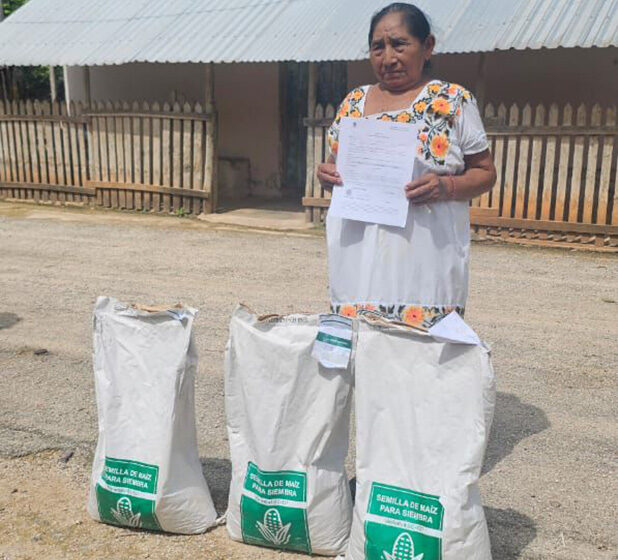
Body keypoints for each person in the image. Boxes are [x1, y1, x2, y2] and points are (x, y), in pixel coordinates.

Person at [317, 3, 497, 328]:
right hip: (358, 264)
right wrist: (327, 175)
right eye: (378, 47)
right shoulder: (353, 103)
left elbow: (485, 173)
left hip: (425, 266)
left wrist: (447, 186)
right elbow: (336, 167)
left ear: (427, 46)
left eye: (399, 44)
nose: (388, 58)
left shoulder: (452, 101)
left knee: (424, 364)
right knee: (362, 358)